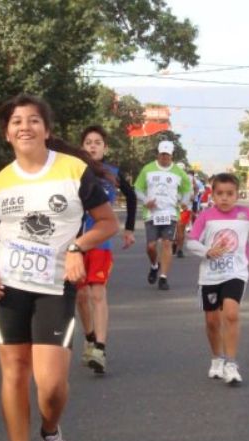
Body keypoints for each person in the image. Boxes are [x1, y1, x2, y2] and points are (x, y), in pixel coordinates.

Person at [0, 94, 118, 441]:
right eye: (16, 122)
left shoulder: (72, 170)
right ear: (7, 134)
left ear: (46, 129)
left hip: (56, 286)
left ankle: (50, 429)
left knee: (51, 387)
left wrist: (77, 247)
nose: (25, 127)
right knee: (15, 372)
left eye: (33, 120)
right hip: (7, 289)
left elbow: (107, 223)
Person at [185, 173, 249, 385]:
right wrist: (207, 251)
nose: (224, 198)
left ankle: (231, 364)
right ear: (212, 194)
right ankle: (217, 358)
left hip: (236, 272)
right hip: (210, 275)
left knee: (231, 314)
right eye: (220, 194)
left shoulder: (245, 214)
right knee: (212, 321)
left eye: (230, 194)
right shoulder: (206, 216)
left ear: (237, 195)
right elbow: (191, 241)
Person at [75, 125, 137, 374]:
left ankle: (99, 347)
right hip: (75, 243)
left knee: (97, 293)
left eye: (97, 142)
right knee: (81, 296)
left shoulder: (112, 172)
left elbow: (131, 198)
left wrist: (129, 229)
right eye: (88, 142)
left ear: (105, 147)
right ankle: (89, 336)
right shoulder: (73, 170)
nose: (92, 146)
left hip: (101, 242)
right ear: (82, 147)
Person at [133, 140, 192, 290]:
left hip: (170, 213)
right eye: (162, 154)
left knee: (167, 244)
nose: (164, 157)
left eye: (167, 155)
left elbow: (187, 189)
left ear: (172, 156)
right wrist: (145, 201)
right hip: (152, 214)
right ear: (158, 154)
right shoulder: (147, 169)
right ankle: (154, 265)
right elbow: (138, 188)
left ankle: (163, 277)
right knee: (151, 247)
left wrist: (184, 201)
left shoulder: (179, 172)